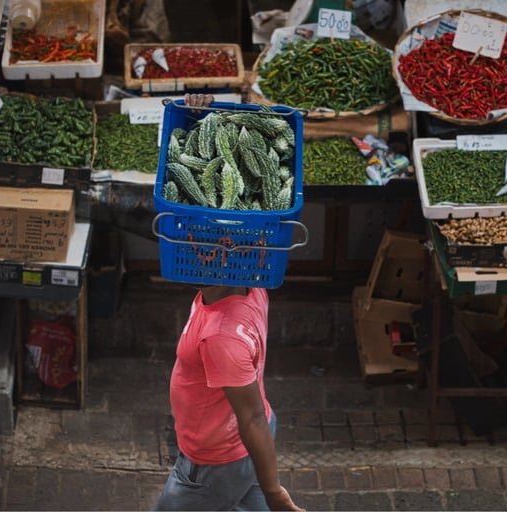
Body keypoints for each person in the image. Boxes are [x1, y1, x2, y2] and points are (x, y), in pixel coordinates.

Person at [154, 94, 302, 511]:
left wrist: (275, 492)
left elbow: (251, 418)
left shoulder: (222, 336)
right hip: (243, 443)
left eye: (194, 241)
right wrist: (205, 113)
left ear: (217, 253)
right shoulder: (251, 284)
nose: (184, 241)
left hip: (216, 460)